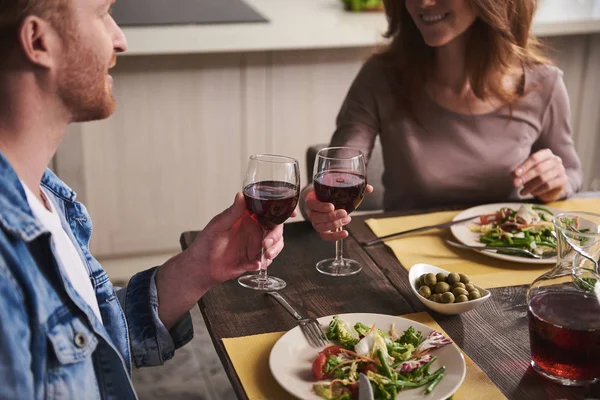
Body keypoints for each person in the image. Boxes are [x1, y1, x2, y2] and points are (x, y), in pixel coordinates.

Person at [0, 0, 287, 398]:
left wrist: (198, 268)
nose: (121, 40)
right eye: (102, 14)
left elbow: (90, 347)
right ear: (38, 40)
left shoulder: (45, 196)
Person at [302, 0, 583, 242]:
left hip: (504, 255)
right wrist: (312, 202)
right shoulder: (381, 77)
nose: (422, 3)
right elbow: (335, 175)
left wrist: (557, 183)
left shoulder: (544, 84)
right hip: (402, 262)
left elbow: (571, 172)